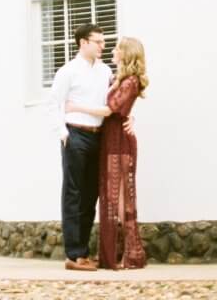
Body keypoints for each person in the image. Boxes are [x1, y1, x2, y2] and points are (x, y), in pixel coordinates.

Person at [65, 36, 148, 269]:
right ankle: (121, 253)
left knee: (121, 199)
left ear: (126, 53)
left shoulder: (130, 81)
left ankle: (132, 253)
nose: (112, 50)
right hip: (109, 139)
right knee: (114, 197)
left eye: (117, 48)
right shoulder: (117, 77)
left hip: (120, 141)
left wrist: (75, 107)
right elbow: (121, 108)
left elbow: (109, 109)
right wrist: (130, 115)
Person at [48, 23, 112, 271]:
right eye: (98, 41)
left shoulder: (105, 71)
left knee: (91, 195)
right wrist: (63, 134)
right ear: (83, 43)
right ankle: (74, 255)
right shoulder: (68, 71)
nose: (102, 46)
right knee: (73, 193)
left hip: (98, 136)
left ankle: (84, 252)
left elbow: (113, 101)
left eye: (103, 42)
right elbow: (54, 104)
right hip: (75, 135)